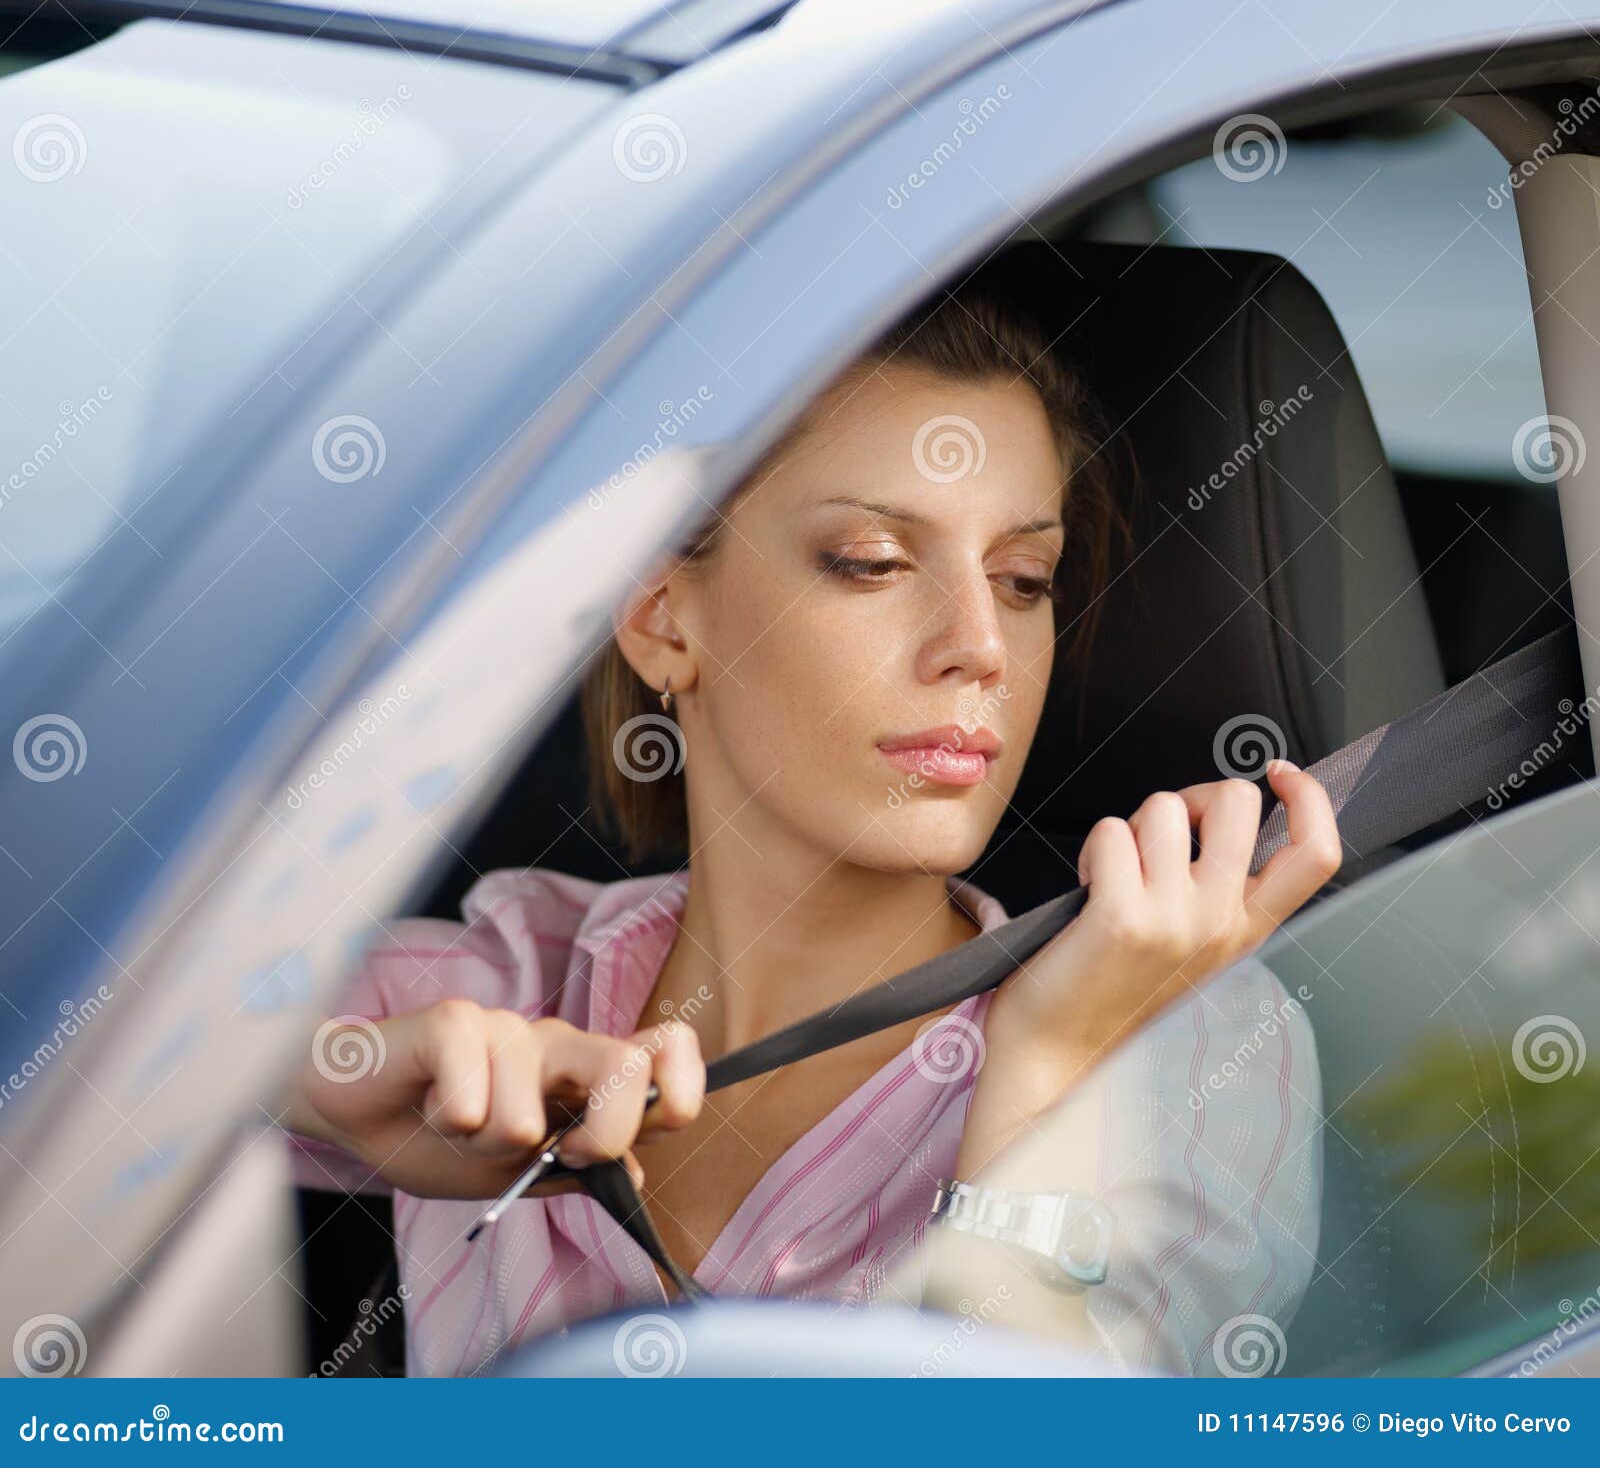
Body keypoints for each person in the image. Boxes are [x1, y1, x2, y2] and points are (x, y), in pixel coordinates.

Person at [280, 285, 1339, 1377]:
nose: (982, 644)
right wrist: (330, 1084)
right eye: (872, 561)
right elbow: (153, 1048)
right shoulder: (510, 978)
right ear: (661, 618)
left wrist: (1045, 1071)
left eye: (1024, 581)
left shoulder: (1180, 1042)